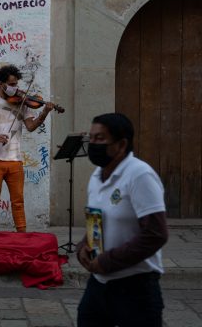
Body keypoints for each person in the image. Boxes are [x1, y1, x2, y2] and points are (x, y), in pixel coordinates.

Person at [76, 113, 168, 327]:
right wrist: (84, 247)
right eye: (91, 138)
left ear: (121, 144)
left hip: (135, 289)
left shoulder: (140, 175)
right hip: (98, 286)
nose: (93, 144)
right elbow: (97, 220)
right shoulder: (97, 175)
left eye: (100, 139)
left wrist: (108, 261)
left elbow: (156, 233)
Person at [0, 64, 54, 233]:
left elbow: (30, 126)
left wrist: (44, 112)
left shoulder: (22, 103)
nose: (15, 88)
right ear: (1, 83)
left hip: (15, 161)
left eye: (16, 84)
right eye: (12, 84)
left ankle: (22, 236)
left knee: (18, 201)